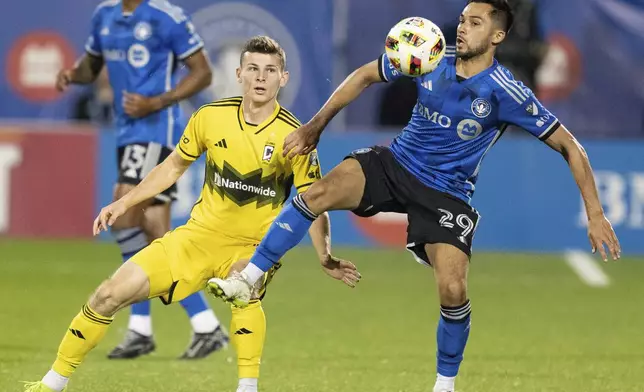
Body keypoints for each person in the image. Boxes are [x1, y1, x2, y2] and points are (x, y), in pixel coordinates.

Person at [207, 2, 622, 392]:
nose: (462, 27)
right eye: (462, 18)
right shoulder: (427, 56)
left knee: (453, 289)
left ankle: (445, 384)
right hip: (395, 164)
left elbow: (570, 145)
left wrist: (595, 214)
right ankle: (249, 277)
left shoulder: (504, 91)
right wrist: (315, 126)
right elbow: (363, 75)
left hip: (447, 193)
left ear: (497, 36)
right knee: (318, 192)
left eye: (475, 23)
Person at [25, 35, 360, 392]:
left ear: (284, 78)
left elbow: (313, 200)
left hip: (252, 247)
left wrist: (324, 255)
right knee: (107, 295)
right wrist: (124, 203)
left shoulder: (296, 135)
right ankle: (51, 384)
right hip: (195, 238)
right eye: (253, 69)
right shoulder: (210, 117)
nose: (261, 78)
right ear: (239, 74)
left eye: (270, 70)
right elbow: (172, 167)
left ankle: (247, 388)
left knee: (244, 284)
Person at [55, 0, 227, 360]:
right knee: (155, 233)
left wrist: (157, 102)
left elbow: (203, 73)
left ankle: (139, 328)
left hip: (157, 130)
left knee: (124, 212)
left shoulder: (167, 17)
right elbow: (92, 65)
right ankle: (205, 326)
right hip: (126, 132)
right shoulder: (105, 15)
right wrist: (73, 74)